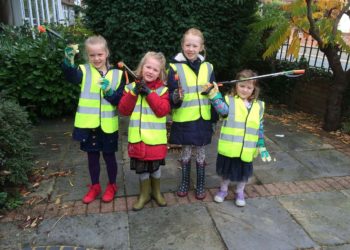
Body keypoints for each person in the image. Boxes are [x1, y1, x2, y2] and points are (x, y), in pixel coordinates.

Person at [62, 35, 125, 204]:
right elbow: (70, 77)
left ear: (106, 53)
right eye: (92, 55)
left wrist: (110, 92)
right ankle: (95, 186)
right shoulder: (83, 70)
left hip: (108, 125)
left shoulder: (118, 75)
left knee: (110, 157)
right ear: (87, 56)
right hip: (88, 125)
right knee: (92, 157)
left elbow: (120, 100)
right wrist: (68, 61)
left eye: (100, 54)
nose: (96, 58)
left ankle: (112, 185)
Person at [207, 69, 271, 207]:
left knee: (244, 173)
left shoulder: (259, 106)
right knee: (226, 172)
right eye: (242, 86)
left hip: (247, 148)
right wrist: (214, 95)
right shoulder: (229, 101)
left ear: (254, 89)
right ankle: (223, 190)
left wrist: (261, 145)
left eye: (249, 87)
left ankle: (240, 191)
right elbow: (222, 111)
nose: (245, 90)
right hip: (230, 147)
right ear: (236, 85)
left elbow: (259, 127)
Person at [167, 28, 217, 200]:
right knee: (186, 151)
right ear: (182, 45)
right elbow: (170, 94)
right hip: (184, 118)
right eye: (187, 45)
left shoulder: (208, 67)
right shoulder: (174, 67)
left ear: (201, 47)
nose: (190, 48)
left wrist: (212, 91)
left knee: (201, 152)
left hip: (203, 118)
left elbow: (213, 92)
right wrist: (175, 96)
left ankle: (201, 184)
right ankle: (185, 182)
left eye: (195, 45)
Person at [118, 52, 170, 211]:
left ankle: (156, 192)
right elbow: (123, 110)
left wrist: (148, 93)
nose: (150, 71)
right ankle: (144, 194)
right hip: (138, 139)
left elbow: (162, 110)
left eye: (155, 69)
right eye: (148, 67)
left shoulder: (162, 90)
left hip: (155, 140)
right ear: (142, 67)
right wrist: (134, 92)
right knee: (142, 168)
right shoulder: (130, 87)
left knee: (155, 168)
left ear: (160, 73)